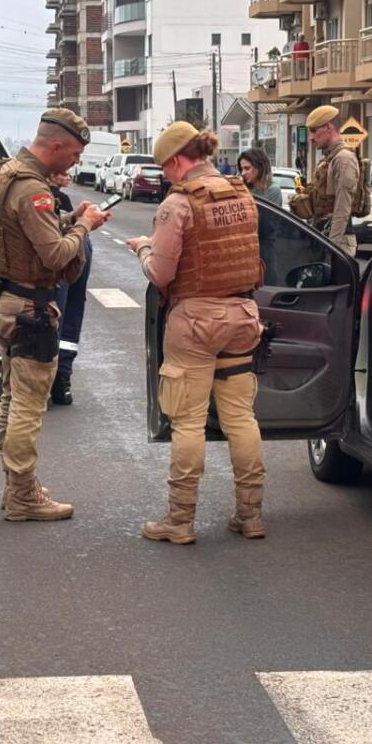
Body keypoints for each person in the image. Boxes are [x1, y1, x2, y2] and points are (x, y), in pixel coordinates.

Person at [126, 122, 266, 544]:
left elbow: (162, 272)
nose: (165, 176)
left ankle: (180, 520)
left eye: (164, 168)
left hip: (196, 322)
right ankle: (251, 515)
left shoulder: (179, 205)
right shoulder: (243, 193)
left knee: (188, 421)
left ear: (176, 160)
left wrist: (143, 249)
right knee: (241, 417)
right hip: (243, 316)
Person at [0, 109, 110, 521]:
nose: (75, 162)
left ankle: (15, 486)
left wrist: (71, 218)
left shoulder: (8, 174)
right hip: (30, 307)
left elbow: (26, 231)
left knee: (11, 395)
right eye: (73, 154)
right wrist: (85, 227)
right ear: (54, 146)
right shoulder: (33, 190)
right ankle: (23, 495)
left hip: (5, 301)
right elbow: (54, 253)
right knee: (29, 404)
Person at [48, 172, 92, 406]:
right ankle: (60, 379)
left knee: (63, 318)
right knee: (66, 319)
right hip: (70, 259)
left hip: (69, 259)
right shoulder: (41, 196)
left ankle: (58, 378)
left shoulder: (52, 198)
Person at [307, 104, 359, 257]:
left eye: (314, 131)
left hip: (337, 241)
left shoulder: (344, 159)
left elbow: (342, 208)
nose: (310, 137)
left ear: (329, 127)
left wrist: (332, 249)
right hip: (325, 237)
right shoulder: (331, 158)